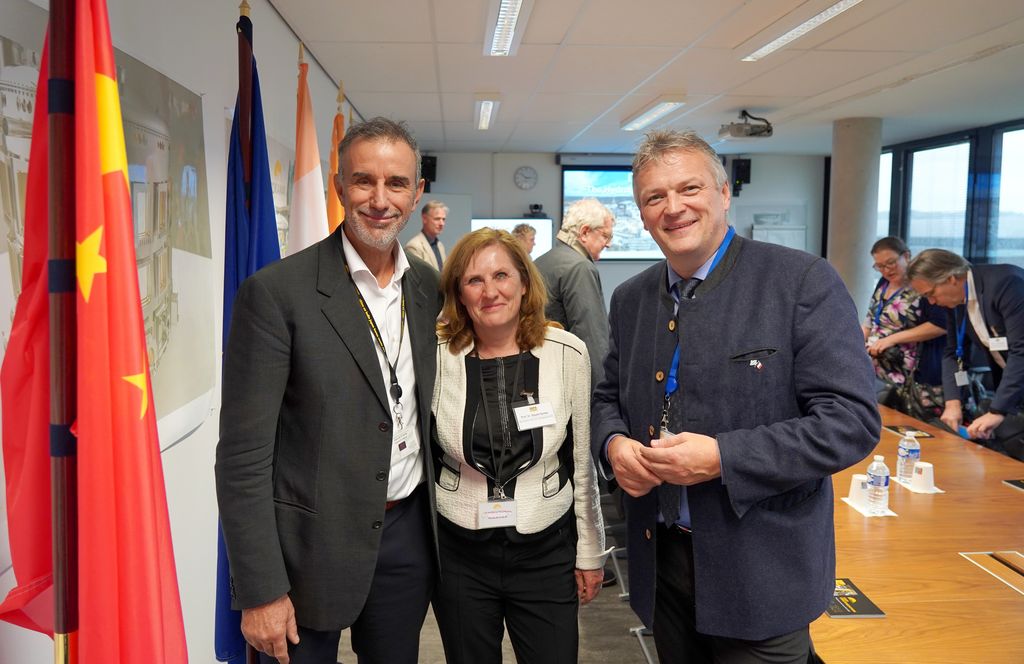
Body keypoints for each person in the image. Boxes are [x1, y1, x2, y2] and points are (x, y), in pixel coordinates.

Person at [591, 129, 879, 663]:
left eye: (689, 189)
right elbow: (607, 396)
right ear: (641, 213)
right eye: (654, 197)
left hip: (762, 572)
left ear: (724, 194)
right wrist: (611, 443)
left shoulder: (800, 283)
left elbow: (851, 422)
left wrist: (724, 457)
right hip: (664, 565)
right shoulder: (631, 299)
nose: (673, 208)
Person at [216, 117, 442, 664]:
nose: (379, 200)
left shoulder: (429, 289)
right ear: (339, 187)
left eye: (396, 184)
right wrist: (261, 589)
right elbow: (243, 458)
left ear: (416, 194)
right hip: (304, 550)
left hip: (406, 534)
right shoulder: (276, 294)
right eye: (364, 181)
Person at [431, 228, 607, 664]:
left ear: (524, 282)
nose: (490, 292)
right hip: (459, 552)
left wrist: (589, 550)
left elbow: (580, 462)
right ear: (459, 293)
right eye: (474, 280)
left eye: (502, 276)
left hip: (545, 547)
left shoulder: (568, 352)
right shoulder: (435, 354)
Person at [907, 248, 1024, 443]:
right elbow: (952, 353)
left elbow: (1021, 351)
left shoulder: (1006, 283)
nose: (932, 302)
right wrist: (952, 403)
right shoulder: (956, 301)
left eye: (931, 293)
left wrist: (997, 410)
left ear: (951, 278)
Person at [862, 236, 947, 416]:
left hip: (912, 371)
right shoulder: (883, 283)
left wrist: (891, 339)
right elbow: (871, 318)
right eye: (879, 266)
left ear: (906, 256)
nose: (886, 270)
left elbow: (940, 325)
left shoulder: (922, 285)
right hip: (880, 367)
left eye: (890, 263)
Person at [534, 198, 615, 386]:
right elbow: (591, 338)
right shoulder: (580, 268)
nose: (608, 244)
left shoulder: (543, 260)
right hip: (568, 380)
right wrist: (604, 396)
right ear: (585, 232)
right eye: (605, 236)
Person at [405, 199, 448, 271]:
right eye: (437, 219)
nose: (441, 223)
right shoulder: (414, 246)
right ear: (424, 219)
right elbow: (417, 279)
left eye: (443, 219)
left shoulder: (440, 245)